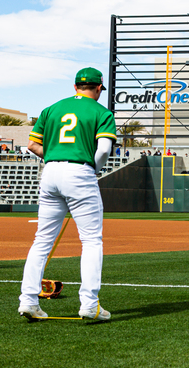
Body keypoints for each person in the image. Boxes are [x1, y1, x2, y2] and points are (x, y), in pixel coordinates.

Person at [18, 67, 117, 321]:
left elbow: (31, 144)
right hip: (80, 172)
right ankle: (89, 304)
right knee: (91, 241)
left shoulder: (51, 109)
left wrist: (52, 158)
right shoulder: (101, 112)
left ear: (75, 87)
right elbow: (104, 149)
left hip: (50, 172)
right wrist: (91, 169)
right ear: (98, 88)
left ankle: (28, 300)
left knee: (42, 240)